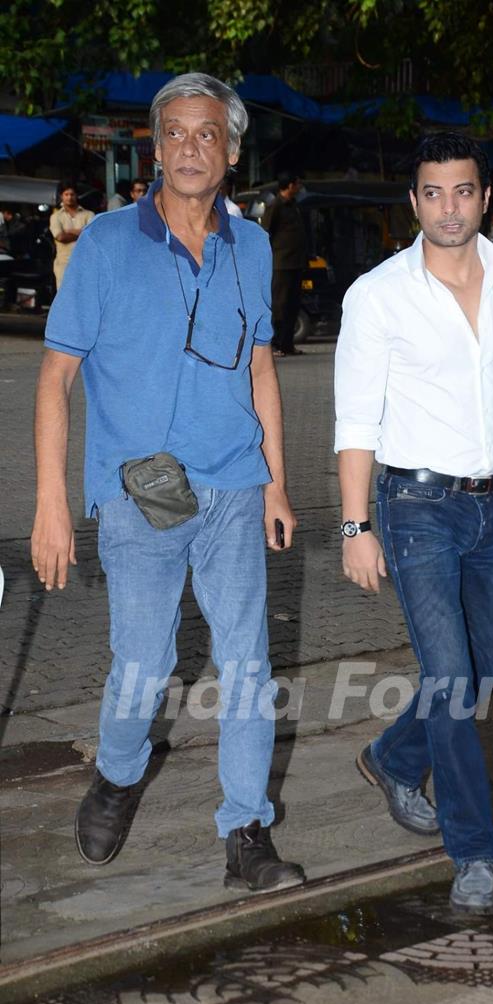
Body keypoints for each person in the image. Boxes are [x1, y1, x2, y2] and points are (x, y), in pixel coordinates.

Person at [31, 72, 305, 894]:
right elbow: (54, 378)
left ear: (231, 150)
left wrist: (279, 485)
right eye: (176, 133)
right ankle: (118, 774)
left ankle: (246, 830)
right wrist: (51, 502)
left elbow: (261, 369)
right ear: (156, 147)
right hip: (140, 490)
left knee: (248, 663)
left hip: (232, 486)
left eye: (208, 134)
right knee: (144, 666)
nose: (191, 147)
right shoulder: (108, 243)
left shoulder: (250, 244)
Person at [334, 131, 493, 914]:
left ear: (486, 195)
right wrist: (355, 527)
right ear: (414, 201)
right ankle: (474, 850)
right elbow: (355, 422)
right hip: (413, 510)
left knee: (481, 675)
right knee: (452, 681)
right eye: (433, 193)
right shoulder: (377, 293)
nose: (449, 207)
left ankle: (390, 756)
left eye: (463, 191)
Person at [261, 171, 307, 357]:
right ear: (290, 185)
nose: (299, 187)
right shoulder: (276, 206)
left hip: (296, 262)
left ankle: (287, 344)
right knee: (279, 304)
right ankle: (275, 344)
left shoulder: (294, 205)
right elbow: (266, 232)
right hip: (281, 264)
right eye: (297, 183)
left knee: (293, 304)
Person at [49, 184, 95, 290]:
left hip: (85, 262)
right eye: (66, 194)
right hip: (64, 264)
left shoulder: (89, 214)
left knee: (85, 294)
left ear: (77, 195)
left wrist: (70, 231)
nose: (69, 197)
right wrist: (82, 232)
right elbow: (60, 237)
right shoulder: (56, 216)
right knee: (65, 297)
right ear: (62, 196)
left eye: (72, 194)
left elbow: (93, 235)